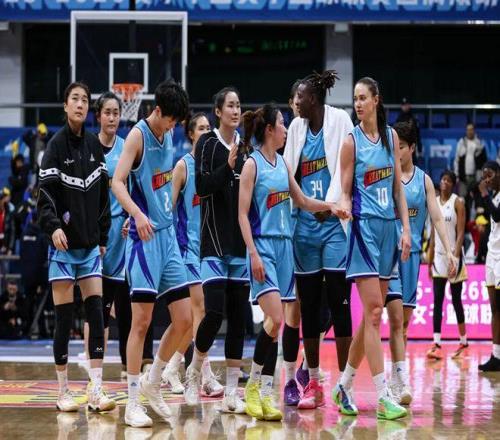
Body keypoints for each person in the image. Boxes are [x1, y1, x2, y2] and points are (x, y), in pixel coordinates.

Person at [239, 103, 349, 420]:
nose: (287, 129)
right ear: (269, 130)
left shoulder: (284, 164)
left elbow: (301, 201)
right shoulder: (252, 165)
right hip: (263, 247)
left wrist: (332, 206)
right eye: (282, 124)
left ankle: (262, 391)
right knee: (276, 318)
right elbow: (242, 215)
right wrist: (253, 253)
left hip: (286, 247)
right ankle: (254, 387)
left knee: (276, 325)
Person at [112, 79, 192, 428]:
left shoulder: (169, 135)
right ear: (158, 111)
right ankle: (132, 403)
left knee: (185, 320)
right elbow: (117, 182)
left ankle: (153, 379)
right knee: (141, 323)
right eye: (171, 119)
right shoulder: (137, 136)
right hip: (144, 240)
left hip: (168, 237)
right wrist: (136, 214)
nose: (173, 126)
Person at [334, 77, 410, 420]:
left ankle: (343, 385)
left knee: (370, 318)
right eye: (355, 99)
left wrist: (405, 229)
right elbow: (345, 190)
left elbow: (397, 189)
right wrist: (343, 205)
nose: (358, 104)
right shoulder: (351, 142)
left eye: (363, 98)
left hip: (388, 231)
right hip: (364, 231)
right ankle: (383, 396)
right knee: (376, 312)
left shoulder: (391, 137)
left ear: (376, 100)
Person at [37, 81, 115, 413]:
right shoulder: (54, 147)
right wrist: (54, 227)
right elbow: (44, 198)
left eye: (85, 99)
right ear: (66, 106)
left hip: (89, 249)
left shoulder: (95, 147)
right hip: (63, 250)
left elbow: (103, 200)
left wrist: (102, 237)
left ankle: (95, 390)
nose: (81, 104)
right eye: (75, 99)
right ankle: (63, 391)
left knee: (96, 315)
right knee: (64, 318)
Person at [283, 70, 354, 409]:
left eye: (300, 96)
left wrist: (334, 202)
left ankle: (345, 385)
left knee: (339, 302)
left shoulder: (340, 120)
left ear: (313, 98)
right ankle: (311, 381)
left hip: (334, 224)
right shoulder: (296, 128)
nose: (295, 102)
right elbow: (287, 173)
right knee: (308, 306)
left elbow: (350, 167)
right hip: (304, 227)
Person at [184, 87, 250, 414]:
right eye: (230, 106)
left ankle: (232, 393)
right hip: (212, 242)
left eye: (239, 105)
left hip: (239, 244)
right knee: (213, 312)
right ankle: (195, 370)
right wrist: (228, 167)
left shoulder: (246, 148)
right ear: (218, 111)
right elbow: (201, 186)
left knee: (239, 319)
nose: (236, 111)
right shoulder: (207, 145)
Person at [385, 121, 457, 404]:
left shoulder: (424, 180)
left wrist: (449, 252)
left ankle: (397, 377)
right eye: (395, 146)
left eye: (401, 147)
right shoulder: (387, 176)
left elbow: (437, 218)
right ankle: (392, 378)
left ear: (412, 148)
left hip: (412, 256)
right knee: (389, 320)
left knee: (403, 324)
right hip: (388, 255)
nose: (397, 151)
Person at [162, 112, 224, 397]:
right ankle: (203, 376)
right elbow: (168, 208)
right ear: (190, 134)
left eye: (209, 127)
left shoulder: (214, 167)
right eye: (201, 128)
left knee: (196, 318)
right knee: (200, 311)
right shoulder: (183, 166)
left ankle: (172, 367)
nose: (206, 131)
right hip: (188, 250)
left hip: (211, 250)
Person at [427, 170, 468, 360]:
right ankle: (436, 342)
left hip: (454, 255)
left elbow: (460, 233)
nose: (445, 182)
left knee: (456, 299)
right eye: (443, 179)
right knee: (437, 300)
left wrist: (456, 258)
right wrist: (429, 259)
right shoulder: (434, 202)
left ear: (453, 184)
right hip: (438, 257)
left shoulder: (457, 202)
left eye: (449, 180)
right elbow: (433, 233)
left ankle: (463, 340)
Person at [477, 161, 500, 371]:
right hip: (492, 257)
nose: (487, 179)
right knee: (494, 308)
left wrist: (483, 195)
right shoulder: (493, 196)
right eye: (484, 176)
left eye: (490, 175)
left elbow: (497, 215)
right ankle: (496, 355)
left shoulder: (492, 197)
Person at [454, 123, 487, 211]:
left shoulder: (480, 143)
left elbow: (484, 162)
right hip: (463, 178)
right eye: (468, 129)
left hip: (476, 178)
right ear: (466, 131)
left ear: (474, 130)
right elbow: (457, 160)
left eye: (471, 129)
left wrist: (482, 177)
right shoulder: (461, 143)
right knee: (462, 202)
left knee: (477, 202)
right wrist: (456, 174)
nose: (470, 131)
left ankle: (477, 219)